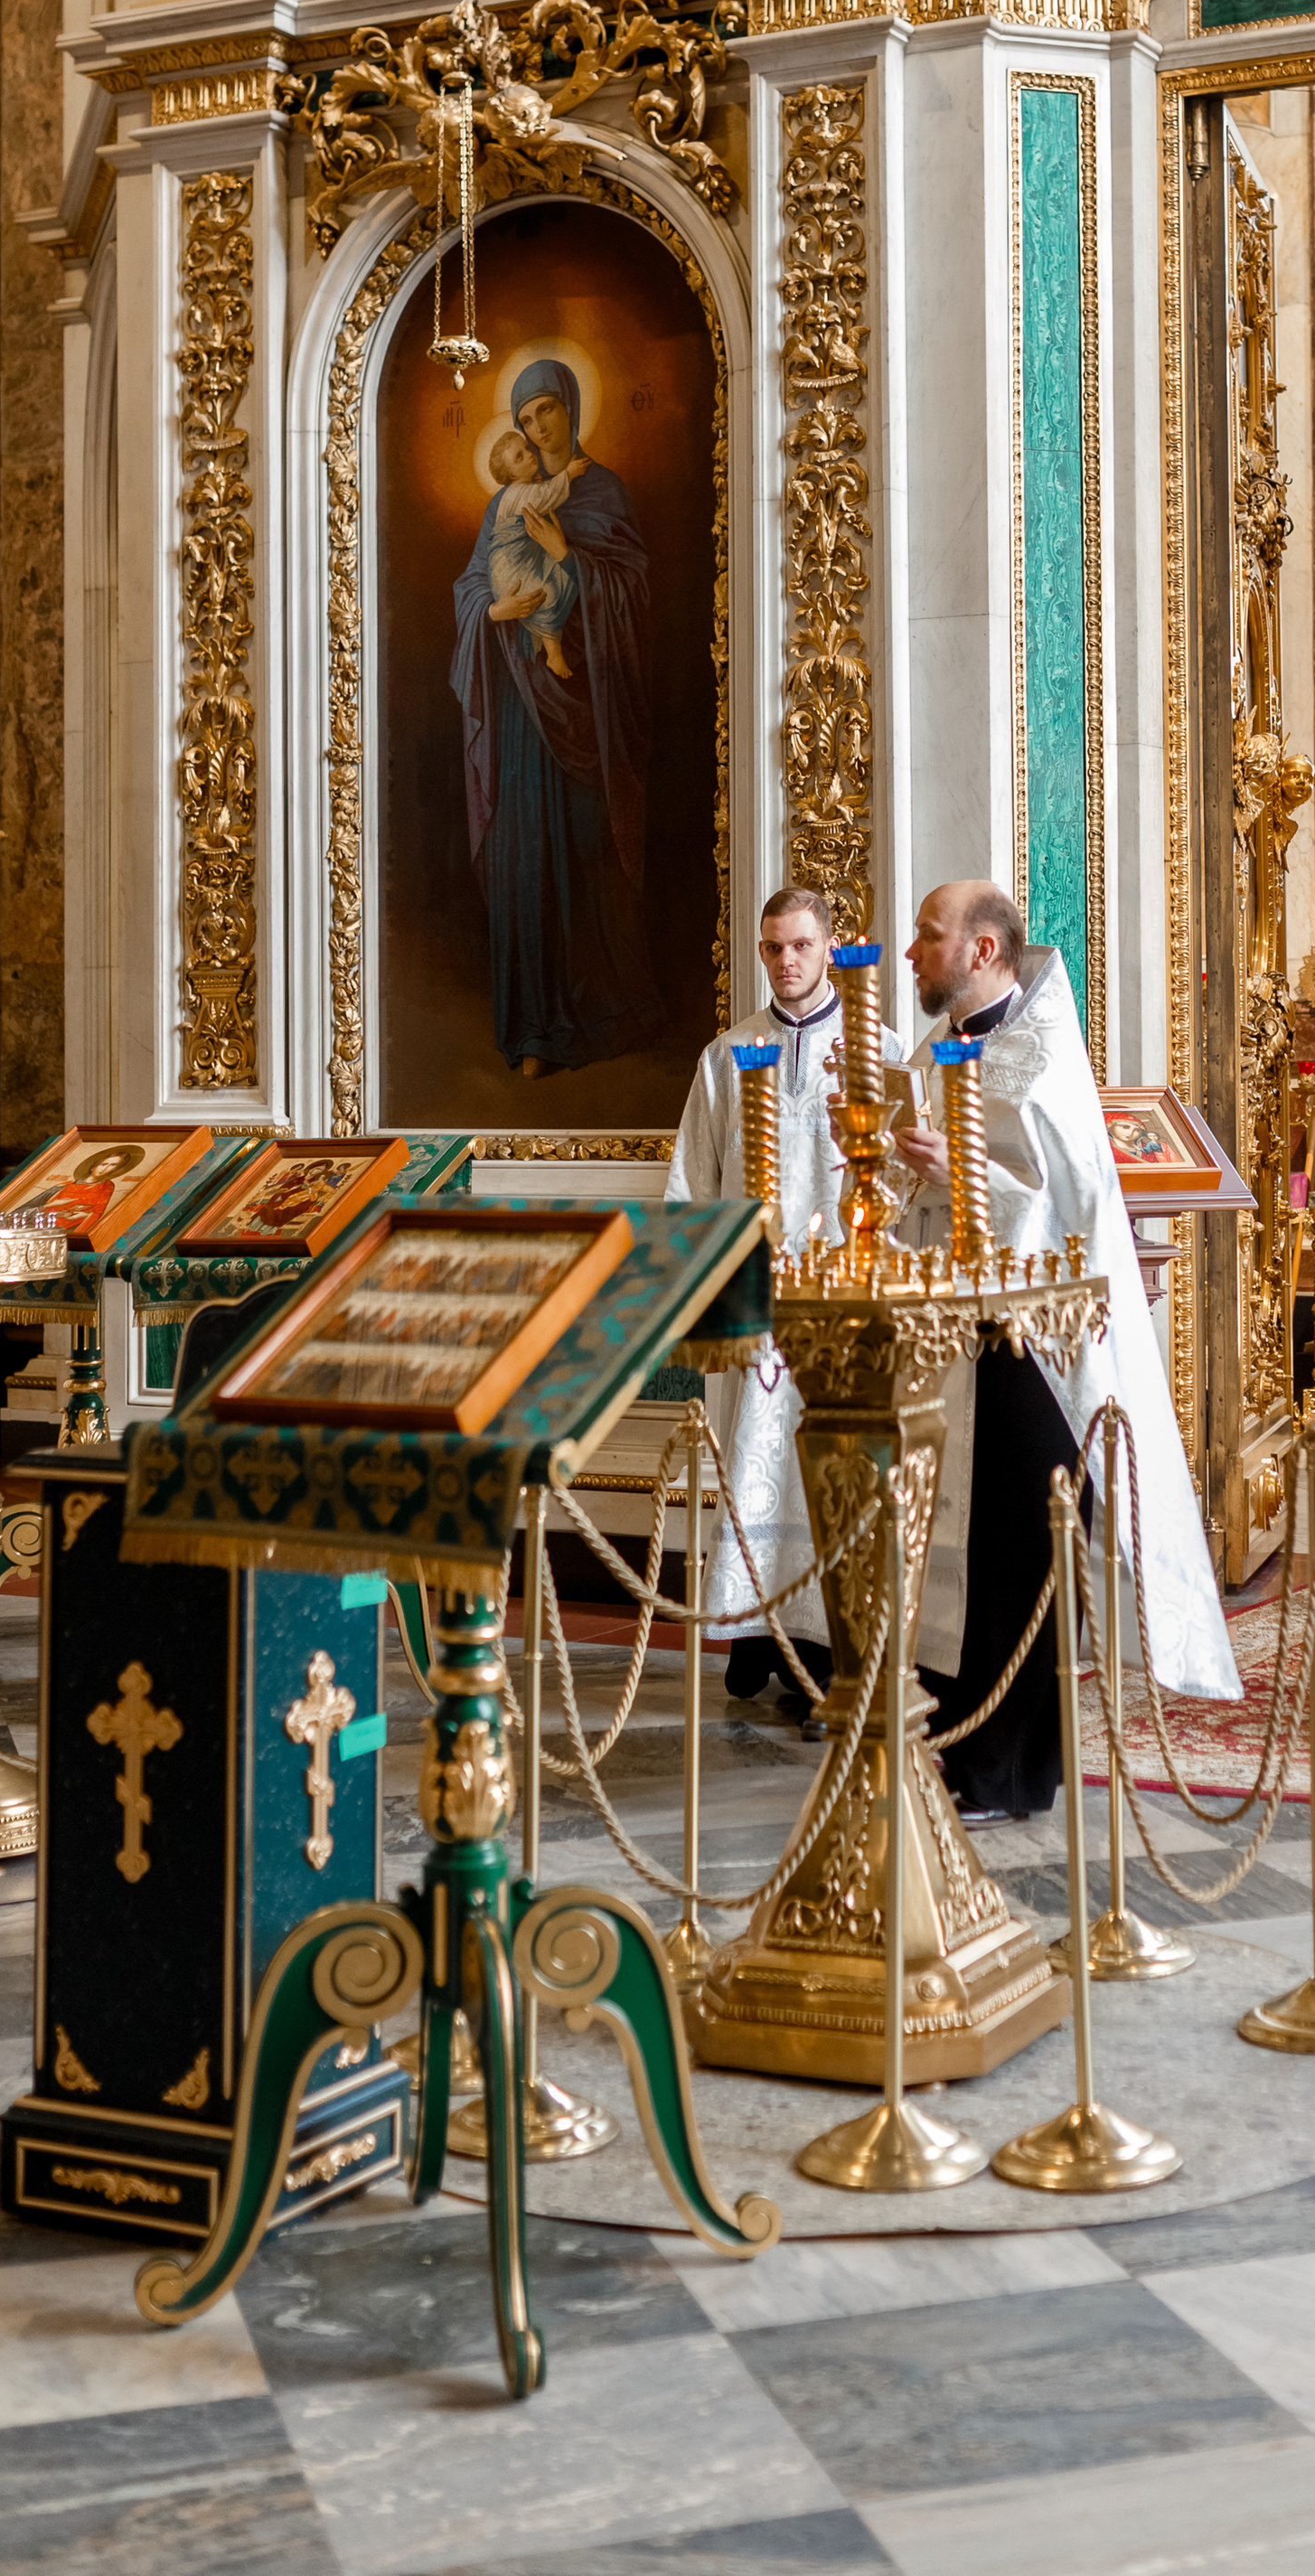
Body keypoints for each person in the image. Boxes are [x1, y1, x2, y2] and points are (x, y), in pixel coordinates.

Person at [891, 880, 1241, 1820]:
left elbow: (1062, 1207)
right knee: (961, 1548)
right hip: (955, 1336)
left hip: (1033, 1345)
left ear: (983, 952)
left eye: (930, 936)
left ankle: (1009, 1771)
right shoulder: (936, 1051)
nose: (913, 951)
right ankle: (958, 1746)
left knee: (1018, 1556)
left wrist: (954, 1169)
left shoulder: (1039, 1059)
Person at [448, 357, 662, 1079]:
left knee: (583, 854)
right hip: (517, 706)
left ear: (571, 406)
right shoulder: (502, 501)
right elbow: (474, 583)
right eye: (525, 420)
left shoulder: (602, 492)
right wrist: (492, 612)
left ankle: (601, 1014)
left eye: (546, 411)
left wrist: (569, 558)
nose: (537, 427)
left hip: (586, 714)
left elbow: (633, 596)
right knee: (522, 857)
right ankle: (533, 1029)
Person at [665, 887, 847, 1720]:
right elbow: (692, 1187)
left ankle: (819, 1650)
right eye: (773, 947)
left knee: (820, 1478)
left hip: (840, 1303)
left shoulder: (871, 1050)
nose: (787, 961)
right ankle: (754, 1638)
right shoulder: (726, 1056)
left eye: (802, 945)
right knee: (752, 1472)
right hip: (752, 1298)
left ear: (830, 946)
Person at [484, 428, 578, 682]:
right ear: (511, 474)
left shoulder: (523, 489)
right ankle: (553, 654)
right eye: (519, 457)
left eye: (526, 448)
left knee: (554, 580)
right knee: (548, 592)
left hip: (514, 564)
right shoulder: (520, 493)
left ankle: (547, 644)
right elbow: (547, 496)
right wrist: (568, 475)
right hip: (510, 568)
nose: (529, 455)